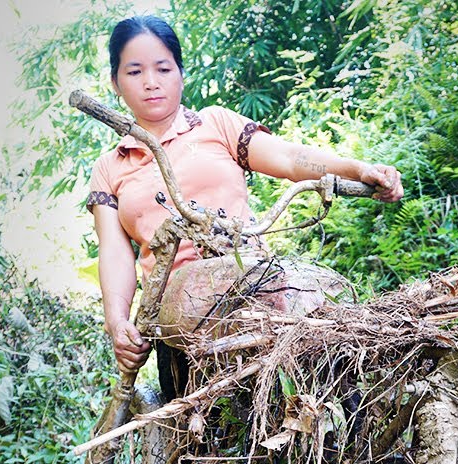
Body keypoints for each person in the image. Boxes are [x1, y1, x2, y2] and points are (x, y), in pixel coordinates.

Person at [86, 15, 404, 376]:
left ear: (180, 73)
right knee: (200, 428)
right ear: (115, 82)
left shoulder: (215, 124)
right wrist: (116, 321)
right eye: (134, 72)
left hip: (254, 287)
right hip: (179, 325)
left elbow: (288, 157)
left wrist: (358, 169)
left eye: (163, 68)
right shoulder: (110, 167)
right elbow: (113, 251)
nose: (151, 83)